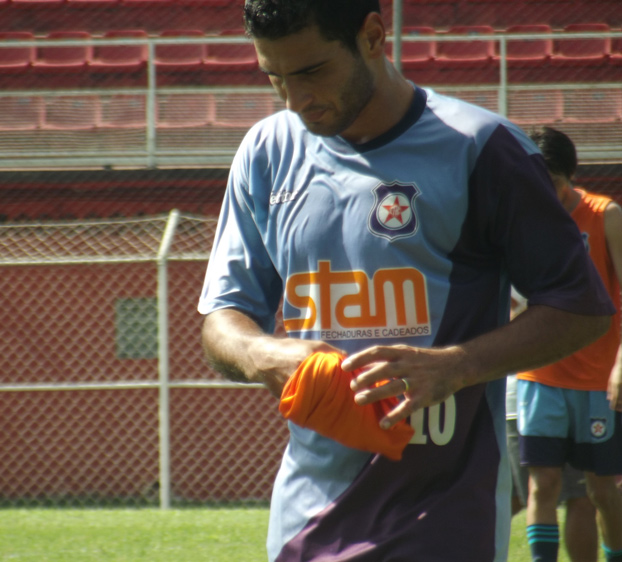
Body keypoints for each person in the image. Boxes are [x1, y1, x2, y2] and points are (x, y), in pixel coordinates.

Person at [197, 2, 614, 560]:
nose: (296, 101)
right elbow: (222, 318)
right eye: (275, 78)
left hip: (443, 518)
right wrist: (262, 354)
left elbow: (582, 306)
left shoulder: (483, 149)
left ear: (372, 35)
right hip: (307, 523)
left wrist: (457, 365)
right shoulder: (266, 153)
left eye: (312, 72)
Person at [517, 126, 622, 562]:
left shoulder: (606, 215)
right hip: (539, 375)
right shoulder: (522, 218)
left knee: (601, 487)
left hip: (598, 379)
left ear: (571, 176)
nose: (547, 193)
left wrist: (621, 364)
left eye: (554, 183)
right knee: (542, 483)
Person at [508, 289, 600, 562]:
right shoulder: (514, 256)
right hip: (523, 394)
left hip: (580, 387)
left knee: (582, 496)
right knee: (518, 494)